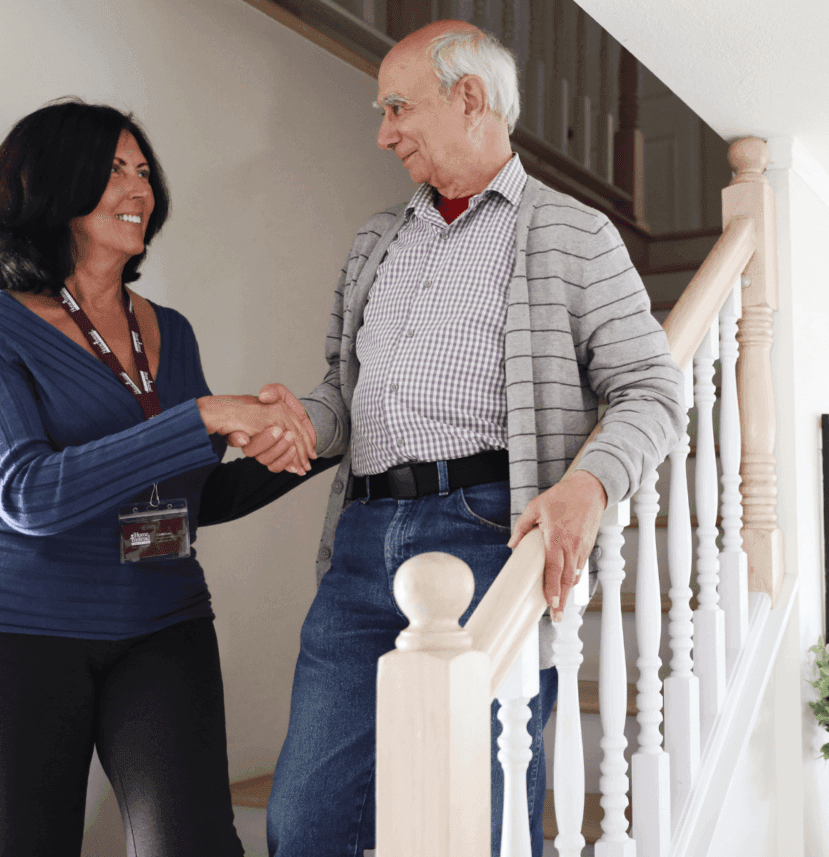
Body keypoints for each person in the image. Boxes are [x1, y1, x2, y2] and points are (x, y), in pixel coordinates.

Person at [250, 21, 686, 857]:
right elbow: (346, 397)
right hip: (361, 546)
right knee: (304, 818)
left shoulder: (575, 235)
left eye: (398, 106)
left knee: (476, 819)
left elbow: (653, 390)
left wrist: (587, 486)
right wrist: (300, 421)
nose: (384, 132)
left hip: (488, 534)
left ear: (470, 98)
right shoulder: (377, 241)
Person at [0, 99, 331, 857]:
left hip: (162, 619)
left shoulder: (170, 329)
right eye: (115, 169)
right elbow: (30, 493)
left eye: (144, 171)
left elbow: (189, 495)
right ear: (52, 186)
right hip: (15, 631)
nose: (139, 189)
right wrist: (205, 417)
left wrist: (302, 443)